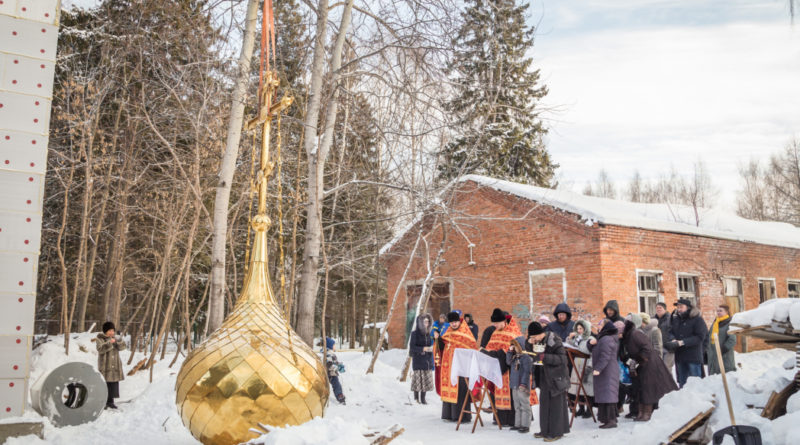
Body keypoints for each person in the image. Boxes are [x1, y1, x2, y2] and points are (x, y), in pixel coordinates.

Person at [621, 320, 678, 421]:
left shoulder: (635, 334)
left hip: (650, 363)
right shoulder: (626, 338)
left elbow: (647, 348)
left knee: (649, 388)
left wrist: (637, 361)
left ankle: (647, 413)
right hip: (641, 365)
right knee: (641, 388)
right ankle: (641, 412)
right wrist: (630, 361)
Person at [527, 321, 570, 441]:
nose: (533, 339)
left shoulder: (553, 340)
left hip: (557, 377)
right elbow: (531, 351)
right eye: (531, 337)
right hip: (544, 376)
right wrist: (529, 343)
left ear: (541, 334)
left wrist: (544, 357)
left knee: (556, 405)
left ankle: (556, 432)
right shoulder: (537, 340)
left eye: (534, 337)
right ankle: (545, 430)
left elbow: (562, 359)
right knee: (545, 404)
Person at [482, 308, 522, 426]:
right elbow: (491, 347)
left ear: (503, 321)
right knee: (498, 392)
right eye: (493, 323)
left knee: (510, 394)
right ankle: (500, 418)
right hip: (498, 367)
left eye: (496, 323)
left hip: (511, 369)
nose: (494, 325)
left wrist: (496, 354)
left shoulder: (512, 332)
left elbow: (512, 350)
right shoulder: (495, 332)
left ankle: (511, 420)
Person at [436, 311, 478, 422]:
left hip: (461, 369)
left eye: (455, 322)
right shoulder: (447, 333)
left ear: (459, 321)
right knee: (449, 389)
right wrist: (438, 339)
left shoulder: (466, 334)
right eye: (451, 323)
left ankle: (461, 416)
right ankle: (449, 415)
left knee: (461, 391)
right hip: (448, 368)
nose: (453, 324)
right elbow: (441, 347)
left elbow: (472, 349)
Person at [668, 298, 708, 388]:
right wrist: (673, 339)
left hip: (693, 356)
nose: (679, 309)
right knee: (682, 383)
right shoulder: (676, 319)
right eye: (678, 307)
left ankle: (698, 400)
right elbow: (670, 331)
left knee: (696, 383)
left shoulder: (697, 319)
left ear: (688, 308)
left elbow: (700, 337)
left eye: (681, 307)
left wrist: (683, 342)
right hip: (680, 356)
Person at [589, 320, 620, 429]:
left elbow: (605, 356)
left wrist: (598, 368)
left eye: (600, 324)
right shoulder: (602, 337)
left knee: (608, 395)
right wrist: (590, 343)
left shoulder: (606, 339)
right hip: (605, 371)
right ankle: (607, 419)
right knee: (605, 394)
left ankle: (611, 421)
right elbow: (594, 350)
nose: (598, 326)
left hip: (607, 371)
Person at [566, 320, 594, 419]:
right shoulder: (577, 339)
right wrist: (570, 338)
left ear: (585, 329)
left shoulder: (590, 339)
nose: (579, 330)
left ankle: (588, 409)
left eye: (581, 328)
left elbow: (593, 353)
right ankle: (581, 408)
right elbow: (570, 345)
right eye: (577, 329)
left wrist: (590, 366)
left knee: (586, 388)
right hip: (577, 364)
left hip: (586, 365)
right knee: (578, 388)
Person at [97, 321, 126, 409]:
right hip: (105, 365)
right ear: (105, 331)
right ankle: (104, 402)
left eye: (113, 330)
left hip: (115, 364)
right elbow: (100, 349)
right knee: (105, 383)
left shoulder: (115, 338)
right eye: (109, 330)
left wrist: (119, 341)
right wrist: (109, 343)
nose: (111, 332)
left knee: (113, 384)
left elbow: (122, 347)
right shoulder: (100, 338)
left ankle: (111, 402)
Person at [507, 336, 533, 433]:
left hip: (522, 386)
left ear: (521, 346)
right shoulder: (514, 357)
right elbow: (508, 362)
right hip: (514, 385)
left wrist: (523, 384)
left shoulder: (526, 358)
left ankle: (525, 425)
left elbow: (527, 372)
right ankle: (518, 424)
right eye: (512, 345)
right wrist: (509, 352)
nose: (513, 347)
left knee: (525, 405)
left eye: (515, 346)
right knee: (517, 405)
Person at [409, 314, 434, 404]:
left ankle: (423, 398)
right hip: (418, 360)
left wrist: (431, 349)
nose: (426, 323)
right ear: (420, 323)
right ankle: (416, 398)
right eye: (425, 321)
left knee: (426, 380)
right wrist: (423, 349)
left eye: (428, 321)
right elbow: (412, 347)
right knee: (418, 380)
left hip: (427, 360)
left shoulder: (429, 334)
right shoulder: (414, 333)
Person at [707, 304, 736, 375]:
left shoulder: (729, 323)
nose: (718, 312)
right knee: (714, 374)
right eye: (717, 311)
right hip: (713, 352)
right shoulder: (715, 323)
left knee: (725, 373)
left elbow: (732, 339)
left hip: (724, 353)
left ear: (727, 312)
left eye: (720, 311)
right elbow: (709, 335)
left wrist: (723, 349)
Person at [324, 337, 346, 404]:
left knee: (336, 385)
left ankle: (339, 395)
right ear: (330, 346)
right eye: (333, 345)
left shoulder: (330, 353)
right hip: (330, 374)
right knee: (336, 385)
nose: (334, 346)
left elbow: (334, 362)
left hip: (332, 373)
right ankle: (340, 396)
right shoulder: (328, 354)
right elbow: (329, 365)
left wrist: (339, 364)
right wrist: (338, 368)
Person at [654, 302, 675, 371]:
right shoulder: (653, 320)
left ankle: (669, 382)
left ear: (665, 309)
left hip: (668, 348)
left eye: (660, 308)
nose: (658, 309)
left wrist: (672, 341)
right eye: (657, 308)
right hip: (658, 348)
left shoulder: (671, 319)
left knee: (667, 368)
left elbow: (675, 331)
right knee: (658, 369)